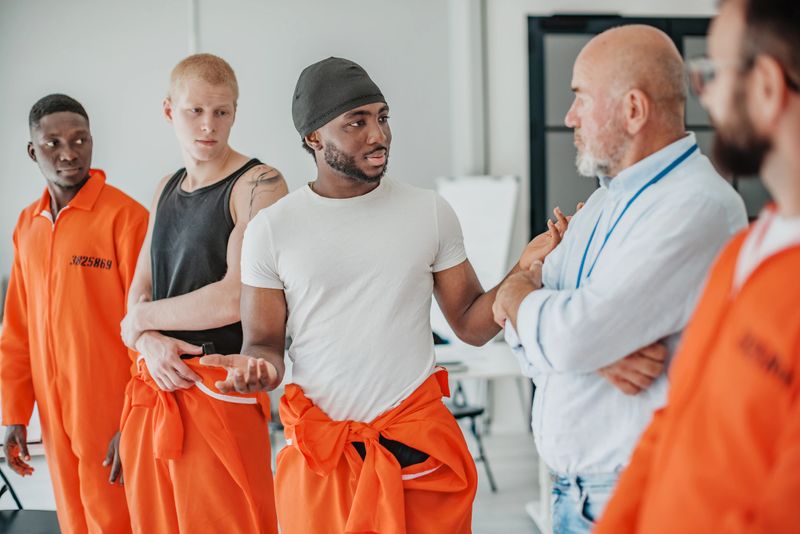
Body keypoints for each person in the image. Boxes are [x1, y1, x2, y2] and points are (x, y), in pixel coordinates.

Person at [201, 56, 525, 533]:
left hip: (417, 453)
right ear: (314, 137)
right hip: (322, 458)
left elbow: (472, 324)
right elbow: (264, 343)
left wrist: (523, 271)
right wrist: (257, 373)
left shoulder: (428, 212)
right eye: (357, 122)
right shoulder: (272, 229)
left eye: (382, 117)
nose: (379, 135)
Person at [491, 25, 747, 533]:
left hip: (638, 496)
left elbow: (561, 331)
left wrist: (519, 290)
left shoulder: (696, 205)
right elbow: (533, 342)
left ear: (633, 110)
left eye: (580, 98)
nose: (569, 118)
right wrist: (583, 349)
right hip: (573, 496)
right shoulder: (603, 203)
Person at [596, 2, 800, 531]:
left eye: (712, 73)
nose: (702, 95)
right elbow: (674, 424)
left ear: (767, 88)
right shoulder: (744, 252)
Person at [117, 53, 287, 534]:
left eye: (223, 112)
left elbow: (234, 297)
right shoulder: (164, 188)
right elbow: (140, 291)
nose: (209, 126)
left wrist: (139, 322)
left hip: (220, 386)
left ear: (236, 110)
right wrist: (147, 339)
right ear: (170, 110)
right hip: (157, 381)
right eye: (195, 111)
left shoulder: (258, 184)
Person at [1, 94, 147, 533]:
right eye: (53, 143)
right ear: (32, 150)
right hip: (53, 416)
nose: (69, 153)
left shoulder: (126, 218)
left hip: (111, 416)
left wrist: (133, 421)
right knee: (73, 523)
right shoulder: (28, 226)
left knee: (120, 522)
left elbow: (147, 331)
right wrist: (14, 416)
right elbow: (17, 332)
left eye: (80, 139)